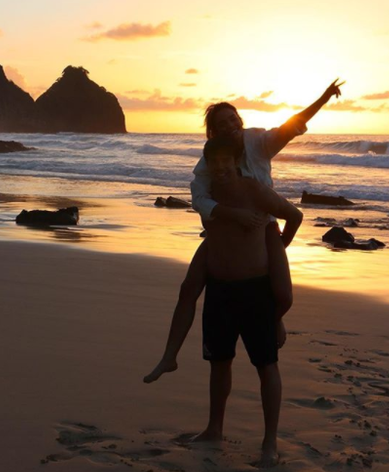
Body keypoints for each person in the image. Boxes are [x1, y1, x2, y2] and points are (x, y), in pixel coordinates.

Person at [143, 79, 343, 385]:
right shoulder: (210, 160)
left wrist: (324, 97)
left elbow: (294, 123)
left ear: (241, 120)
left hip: (262, 229)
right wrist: (231, 214)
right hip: (222, 235)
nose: (229, 126)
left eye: (233, 119)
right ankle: (169, 357)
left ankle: (274, 321)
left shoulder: (259, 142)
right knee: (188, 289)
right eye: (221, 124)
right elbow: (199, 199)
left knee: (283, 296)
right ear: (213, 132)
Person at [196, 135, 303, 467]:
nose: (222, 167)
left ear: (236, 161)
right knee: (219, 363)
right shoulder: (207, 193)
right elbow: (202, 205)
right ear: (209, 166)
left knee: (266, 366)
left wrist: (277, 245)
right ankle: (214, 428)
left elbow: (294, 214)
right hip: (220, 290)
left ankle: (270, 441)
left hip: (256, 290)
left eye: (227, 161)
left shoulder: (254, 189)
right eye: (216, 162)